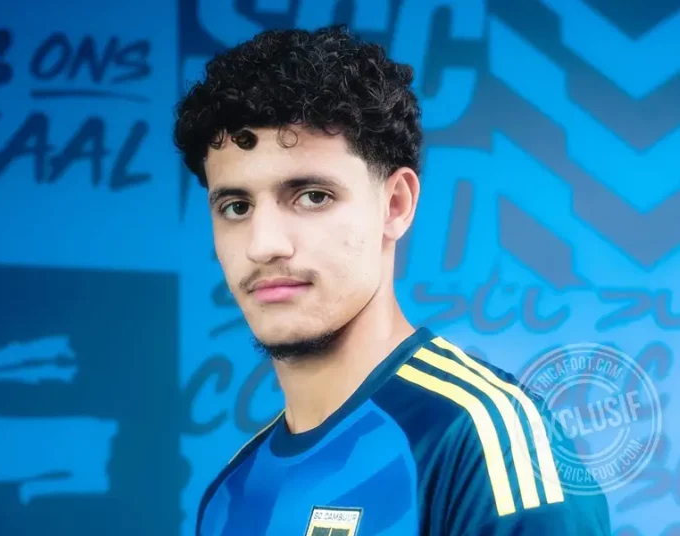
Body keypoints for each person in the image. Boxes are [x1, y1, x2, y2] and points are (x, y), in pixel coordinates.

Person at [173, 25, 610, 536]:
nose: (264, 244)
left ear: (396, 205)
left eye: (312, 196)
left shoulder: (487, 445)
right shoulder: (230, 494)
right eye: (236, 206)